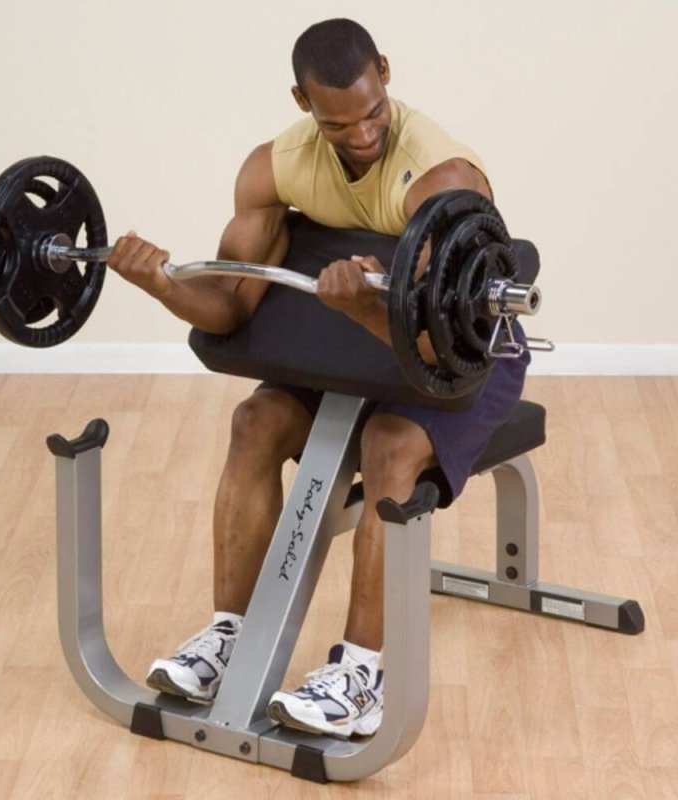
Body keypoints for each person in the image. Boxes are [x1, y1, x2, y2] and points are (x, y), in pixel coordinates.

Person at [107, 18, 528, 739]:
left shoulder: (440, 175)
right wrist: (160, 285)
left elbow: (434, 345)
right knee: (255, 421)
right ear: (302, 100)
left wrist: (369, 304)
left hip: (464, 353)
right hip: (348, 344)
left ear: (386, 73)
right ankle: (228, 636)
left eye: (372, 113)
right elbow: (231, 304)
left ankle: (363, 674)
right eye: (340, 125)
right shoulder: (274, 167)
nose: (363, 135)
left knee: (392, 446)